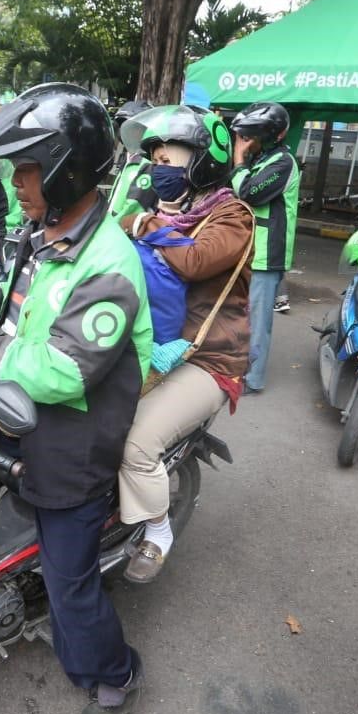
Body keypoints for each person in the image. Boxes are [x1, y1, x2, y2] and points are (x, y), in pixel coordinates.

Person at [0, 83, 152, 714]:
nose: (14, 184)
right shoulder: (45, 230)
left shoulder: (108, 263)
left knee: (69, 584)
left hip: (71, 439)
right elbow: (17, 311)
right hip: (13, 409)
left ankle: (116, 680)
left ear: (63, 169)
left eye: (24, 170)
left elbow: (61, 370)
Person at [115, 104, 253, 582]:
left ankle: (157, 531)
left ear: (201, 162)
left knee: (136, 443)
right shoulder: (162, 211)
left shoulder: (233, 216)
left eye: (168, 161)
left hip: (207, 357)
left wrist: (143, 225)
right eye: (153, 160)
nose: (158, 170)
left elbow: (196, 261)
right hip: (145, 341)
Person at [230, 102, 299, 393]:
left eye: (250, 137)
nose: (246, 143)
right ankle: (235, 367)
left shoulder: (282, 163)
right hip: (248, 252)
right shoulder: (262, 159)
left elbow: (249, 193)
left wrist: (238, 160)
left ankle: (252, 379)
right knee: (239, 315)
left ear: (274, 136)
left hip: (265, 255)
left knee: (257, 322)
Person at [102, 99, 156, 226]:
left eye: (134, 128)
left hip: (125, 232)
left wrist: (109, 228)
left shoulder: (146, 164)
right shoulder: (128, 157)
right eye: (123, 126)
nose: (126, 132)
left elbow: (134, 206)